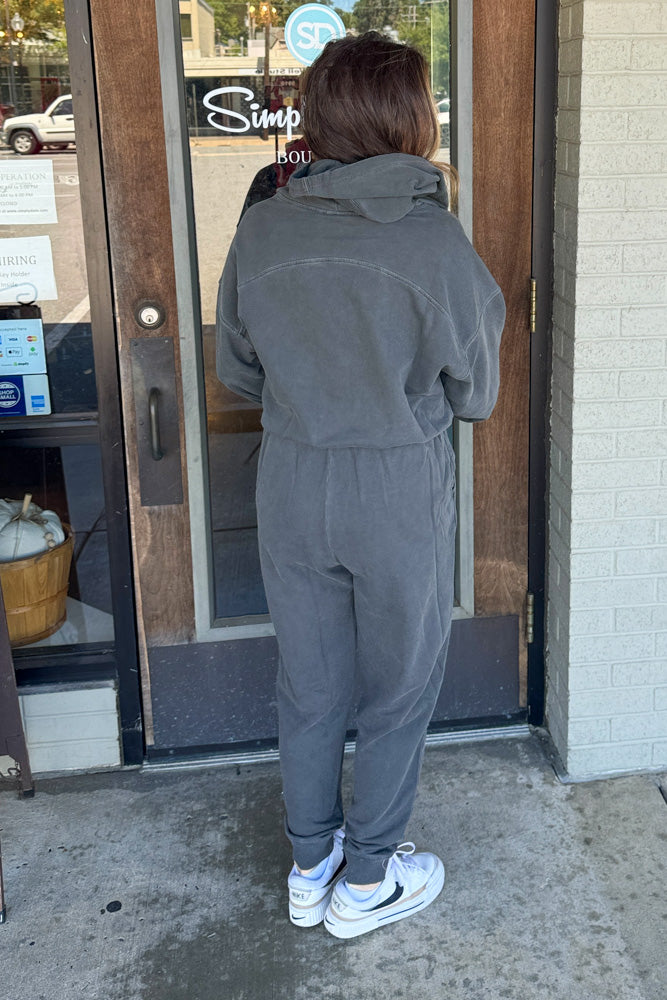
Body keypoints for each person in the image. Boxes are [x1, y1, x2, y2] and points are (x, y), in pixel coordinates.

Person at [216, 31, 505, 939]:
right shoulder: (433, 241)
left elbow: (237, 370)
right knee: (398, 687)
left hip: (293, 475)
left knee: (308, 685)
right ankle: (369, 879)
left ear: (318, 118)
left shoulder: (263, 226)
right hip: (394, 483)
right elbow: (477, 394)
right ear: (410, 119)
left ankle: (311, 865)